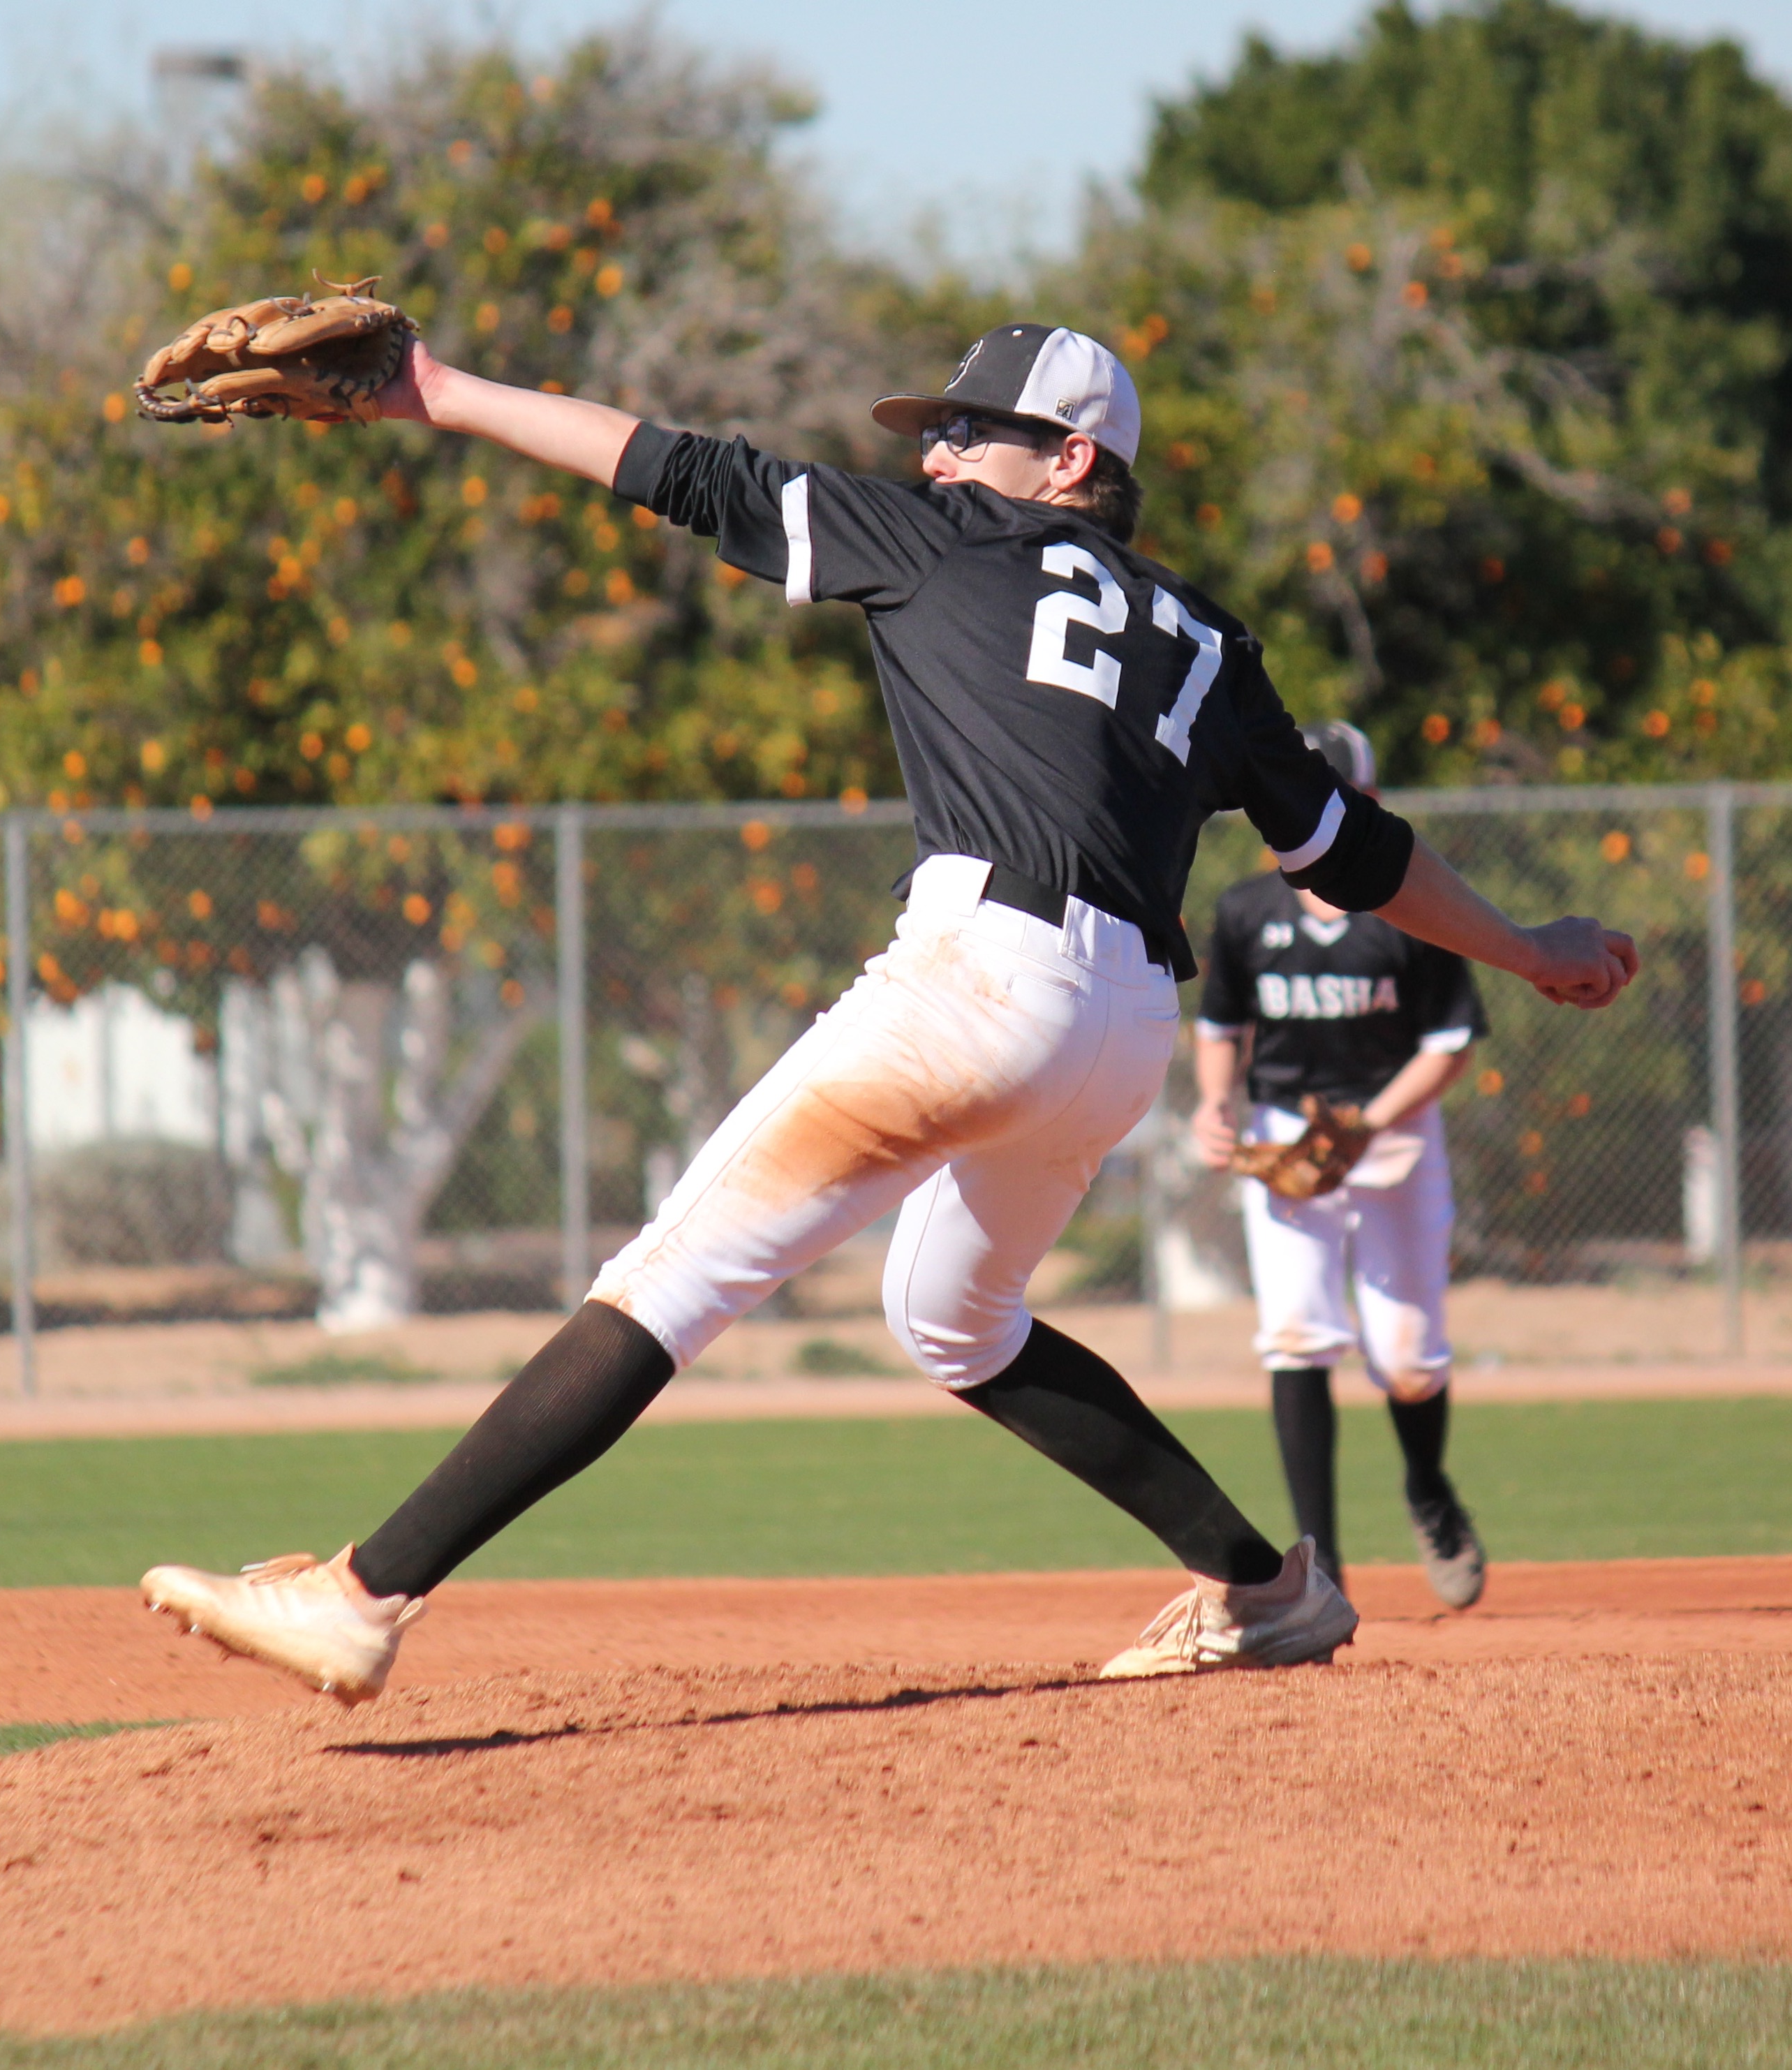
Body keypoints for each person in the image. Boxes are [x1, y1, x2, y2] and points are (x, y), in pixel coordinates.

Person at [138, 320, 1637, 1702]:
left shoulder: (946, 537)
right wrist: (1524, 945)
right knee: (955, 1316)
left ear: (1070, 463)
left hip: (981, 979)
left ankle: (363, 1594)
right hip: (1120, 1028)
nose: (933, 455)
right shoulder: (1204, 636)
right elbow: (1350, 850)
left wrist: (437, 394)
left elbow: (676, 468)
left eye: (970, 429)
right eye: (936, 434)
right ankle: (1261, 1586)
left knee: (672, 1276)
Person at [1192, 720, 1488, 1609]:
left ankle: (1428, 1488)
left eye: (1335, 797)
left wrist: (1369, 1121)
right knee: (1295, 1336)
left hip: (1392, 1137)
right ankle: (1320, 1569)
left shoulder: (1414, 911)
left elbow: (1448, 1043)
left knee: (1407, 1358)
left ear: (1366, 803)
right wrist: (1214, 1103)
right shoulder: (1247, 912)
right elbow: (1220, 1028)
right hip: (1288, 1143)